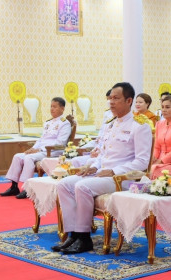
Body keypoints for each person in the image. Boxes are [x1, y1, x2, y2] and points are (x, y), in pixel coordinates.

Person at [51, 82, 152, 254]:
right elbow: (103, 155)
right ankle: (73, 234)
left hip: (122, 179)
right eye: (110, 98)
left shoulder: (140, 125)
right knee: (63, 184)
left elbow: (142, 161)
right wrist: (91, 166)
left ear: (128, 101)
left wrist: (114, 171)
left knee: (82, 187)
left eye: (116, 98)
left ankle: (84, 238)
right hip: (101, 175)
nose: (111, 102)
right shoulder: (111, 124)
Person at [0, 97, 71, 198]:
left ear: (62, 108)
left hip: (52, 151)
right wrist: (32, 149)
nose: (52, 109)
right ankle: (14, 187)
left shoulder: (65, 124)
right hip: (40, 150)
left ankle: (27, 189)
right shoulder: (48, 122)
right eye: (51, 106)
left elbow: (61, 142)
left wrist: (39, 149)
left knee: (29, 158)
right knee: (18, 156)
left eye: (54, 107)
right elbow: (41, 139)